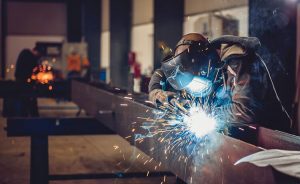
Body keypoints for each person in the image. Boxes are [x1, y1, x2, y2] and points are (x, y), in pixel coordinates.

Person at [148, 33, 291, 132]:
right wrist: (156, 92)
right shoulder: (201, 62)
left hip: (274, 138)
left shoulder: (238, 61)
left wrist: (201, 114)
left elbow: (244, 112)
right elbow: (161, 73)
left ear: (204, 62)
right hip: (241, 135)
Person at [12, 46, 43, 117]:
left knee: (24, 100)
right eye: (38, 55)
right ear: (36, 51)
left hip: (21, 81)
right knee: (28, 99)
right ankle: (32, 117)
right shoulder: (29, 55)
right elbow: (33, 68)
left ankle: (25, 116)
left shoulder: (25, 52)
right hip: (24, 83)